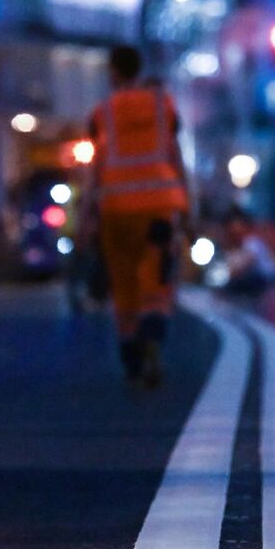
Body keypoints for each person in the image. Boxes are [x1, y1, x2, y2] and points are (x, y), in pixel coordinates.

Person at [87, 46, 189, 386]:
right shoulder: (164, 107)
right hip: (159, 206)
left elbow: (96, 166)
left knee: (123, 280)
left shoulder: (104, 113)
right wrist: (188, 206)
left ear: (113, 72)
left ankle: (131, 353)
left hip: (116, 209)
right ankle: (153, 339)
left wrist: (87, 211)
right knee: (155, 276)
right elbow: (175, 157)